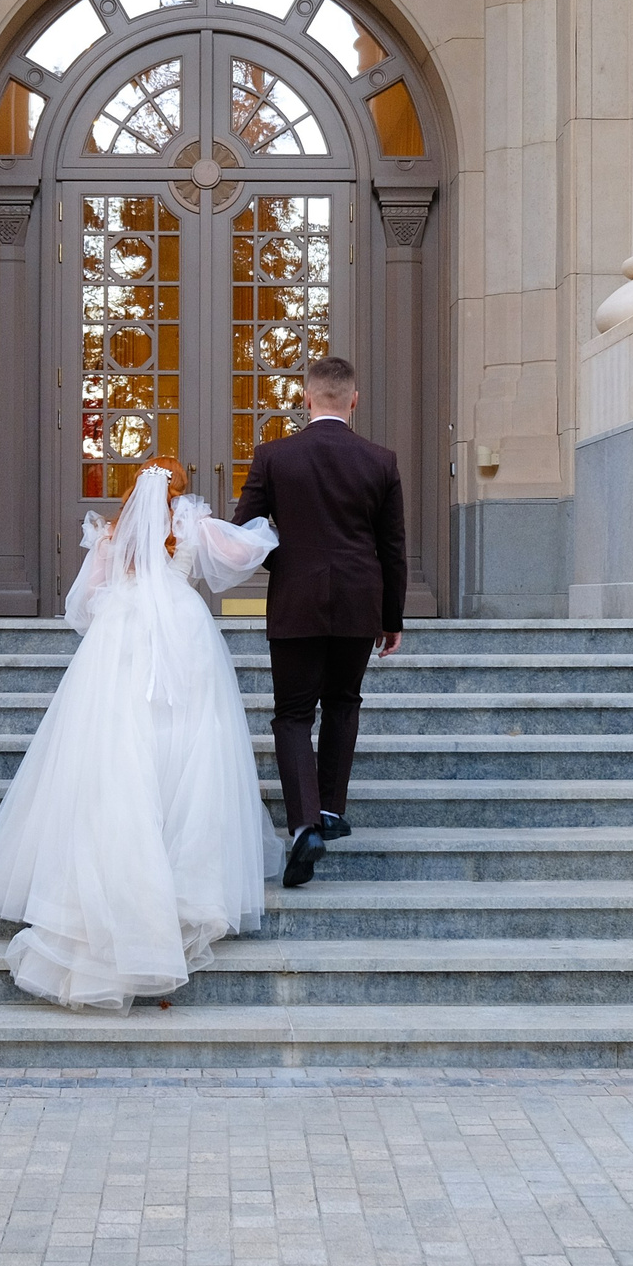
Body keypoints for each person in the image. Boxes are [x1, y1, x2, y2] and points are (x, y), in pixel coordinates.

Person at [0, 457, 281, 1010]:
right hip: (184, 638)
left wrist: (119, 601)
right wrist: (269, 526)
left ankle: (118, 888)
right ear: (180, 491)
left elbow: (83, 607)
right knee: (189, 749)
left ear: (136, 490)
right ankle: (183, 882)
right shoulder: (191, 524)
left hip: (122, 640)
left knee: (115, 748)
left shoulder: (114, 534)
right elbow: (246, 553)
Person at [230, 357, 407, 888]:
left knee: (291, 715)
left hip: (296, 602)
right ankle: (330, 810)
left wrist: (285, 566)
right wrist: (390, 616)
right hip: (359, 602)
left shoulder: (273, 456)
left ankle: (304, 823)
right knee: (344, 704)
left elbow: (246, 533)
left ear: (306, 398)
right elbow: (392, 548)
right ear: (354, 400)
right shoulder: (381, 460)